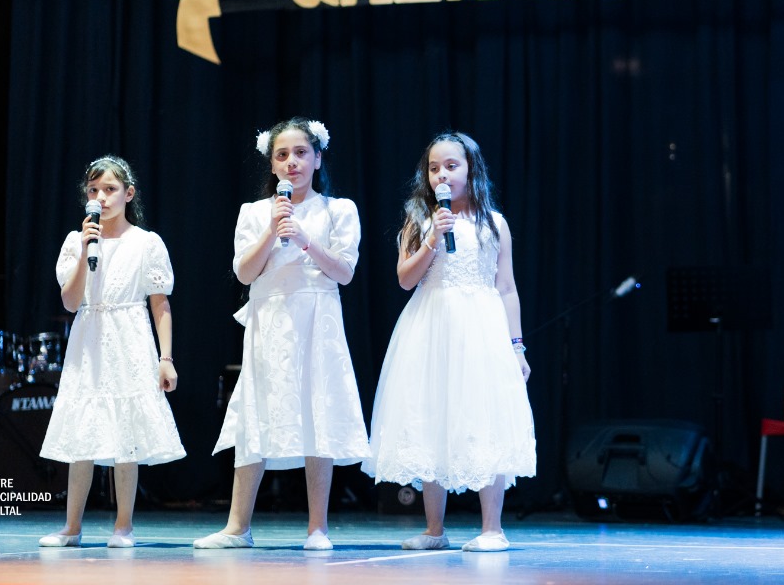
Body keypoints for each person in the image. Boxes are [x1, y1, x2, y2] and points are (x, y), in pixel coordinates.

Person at [194, 117, 370, 551]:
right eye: (282, 155)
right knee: (255, 412)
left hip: (318, 318)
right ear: (271, 165)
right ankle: (238, 527)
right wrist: (274, 229)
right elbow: (244, 271)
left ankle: (318, 527)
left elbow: (345, 273)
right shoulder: (254, 213)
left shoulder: (339, 210)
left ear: (317, 158)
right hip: (269, 319)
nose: (292, 162)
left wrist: (307, 239)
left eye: (301, 153)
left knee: (318, 410)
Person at [363, 131, 536, 552]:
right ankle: (433, 530)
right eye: (434, 167)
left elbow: (507, 287)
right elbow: (405, 279)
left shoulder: (494, 224)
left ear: (471, 169)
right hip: (430, 326)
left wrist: (517, 346)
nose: (442, 174)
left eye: (451, 166)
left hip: (480, 327)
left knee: (484, 417)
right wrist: (431, 240)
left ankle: (492, 528)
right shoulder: (419, 220)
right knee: (431, 416)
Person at [38, 155, 185, 549]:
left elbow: (161, 304)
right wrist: (88, 249)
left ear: (128, 193)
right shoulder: (76, 241)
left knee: (127, 436)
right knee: (81, 432)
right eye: (93, 190)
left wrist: (165, 359)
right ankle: (72, 527)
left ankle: (123, 526)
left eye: (109, 190)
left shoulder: (146, 243)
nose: (100, 198)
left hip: (131, 337)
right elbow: (70, 301)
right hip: (89, 337)